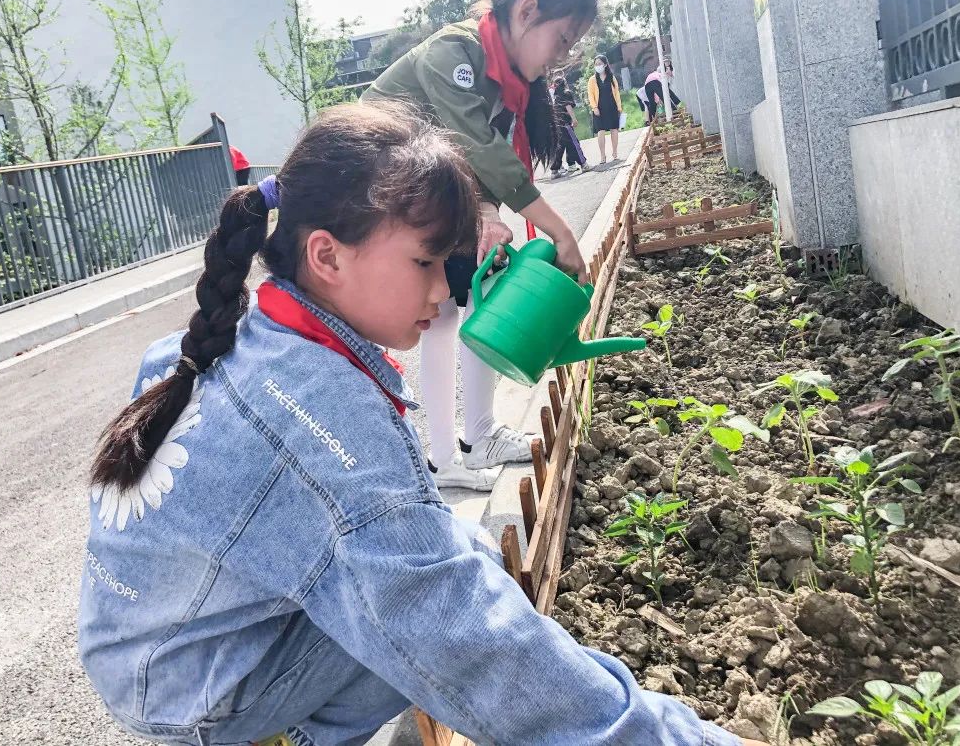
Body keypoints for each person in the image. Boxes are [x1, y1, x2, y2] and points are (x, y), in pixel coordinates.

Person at [78, 100, 763, 746]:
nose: (442, 290)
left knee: (437, 554)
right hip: (193, 695)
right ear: (327, 256)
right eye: (425, 263)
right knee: (422, 622)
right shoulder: (319, 413)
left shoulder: (241, 335)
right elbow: (459, 634)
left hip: (148, 650)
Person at [362, 0, 593, 490]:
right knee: (442, 313)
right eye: (562, 40)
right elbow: (476, 144)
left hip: (420, 192)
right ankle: (445, 458)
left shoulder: (500, 76)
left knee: (463, 303)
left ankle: (473, 439)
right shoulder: (454, 53)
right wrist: (559, 230)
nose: (560, 58)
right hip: (376, 193)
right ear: (527, 11)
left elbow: (472, 157)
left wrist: (487, 208)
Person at [550, 73, 589, 178]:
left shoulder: (556, 96)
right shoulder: (566, 93)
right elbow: (568, 107)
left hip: (557, 125)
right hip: (565, 124)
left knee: (559, 147)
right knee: (574, 143)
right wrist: (574, 119)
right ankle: (583, 164)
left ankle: (554, 170)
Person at [587, 53, 622, 163]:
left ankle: (615, 152)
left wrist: (619, 108)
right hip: (599, 109)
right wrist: (594, 107)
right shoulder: (592, 80)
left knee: (614, 129)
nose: (598, 66)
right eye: (596, 64)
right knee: (600, 131)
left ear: (605, 65)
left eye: (600, 64)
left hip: (612, 107)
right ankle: (603, 156)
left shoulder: (612, 77)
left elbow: (617, 93)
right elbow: (590, 95)